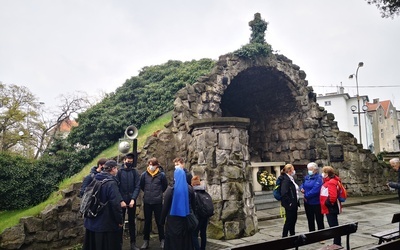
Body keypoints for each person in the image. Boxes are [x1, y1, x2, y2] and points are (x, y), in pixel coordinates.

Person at [83, 160, 123, 250]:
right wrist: (119, 221)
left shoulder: (95, 178)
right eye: (116, 168)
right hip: (105, 224)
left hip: (91, 221)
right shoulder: (111, 183)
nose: (117, 170)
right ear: (113, 169)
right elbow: (116, 205)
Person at [160, 168, 195, 250]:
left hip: (173, 221)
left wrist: (162, 220)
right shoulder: (189, 189)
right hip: (185, 220)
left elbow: (165, 206)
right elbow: (193, 205)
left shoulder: (171, 189)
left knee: (173, 243)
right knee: (185, 242)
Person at [140, 158, 168, 249]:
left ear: (157, 165)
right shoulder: (144, 175)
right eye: (149, 164)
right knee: (147, 222)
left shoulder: (162, 175)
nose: (151, 166)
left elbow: (164, 186)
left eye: (152, 164)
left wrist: (158, 194)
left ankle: (162, 240)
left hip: (157, 202)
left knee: (159, 222)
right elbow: (142, 185)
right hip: (147, 201)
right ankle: (146, 241)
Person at [116, 153, 141, 250]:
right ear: (124, 160)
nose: (129, 163)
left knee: (132, 223)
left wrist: (133, 199)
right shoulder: (119, 172)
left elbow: (137, 186)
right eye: (128, 161)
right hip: (121, 201)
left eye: (131, 161)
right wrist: (121, 200)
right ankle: (119, 244)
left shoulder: (135, 172)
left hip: (131, 201)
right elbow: (116, 187)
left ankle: (133, 244)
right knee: (120, 223)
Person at [320, 166, 343, 246]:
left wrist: (327, 203)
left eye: (323, 172)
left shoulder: (331, 182)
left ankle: (337, 243)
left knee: (333, 226)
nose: (322, 174)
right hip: (331, 207)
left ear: (327, 174)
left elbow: (333, 196)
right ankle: (337, 242)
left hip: (330, 207)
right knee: (334, 225)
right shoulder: (331, 180)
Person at [300, 162, 324, 232]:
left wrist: (306, 196)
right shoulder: (307, 177)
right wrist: (301, 188)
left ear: (316, 170)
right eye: (308, 169)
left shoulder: (319, 178)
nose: (309, 171)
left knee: (319, 219)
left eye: (311, 169)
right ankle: (312, 234)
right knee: (310, 219)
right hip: (307, 202)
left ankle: (321, 235)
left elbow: (316, 190)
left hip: (316, 202)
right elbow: (302, 184)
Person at [280, 163, 299, 237]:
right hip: (290, 204)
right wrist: (290, 202)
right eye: (293, 169)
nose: (294, 171)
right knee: (289, 220)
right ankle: (284, 236)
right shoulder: (286, 180)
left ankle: (292, 234)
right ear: (290, 170)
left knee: (293, 220)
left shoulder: (290, 178)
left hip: (294, 203)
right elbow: (284, 193)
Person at [191, 176, 209, 250]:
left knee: (194, 235)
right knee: (203, 233)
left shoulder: (194, 193)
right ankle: (203, 248)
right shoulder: (204, 191)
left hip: (198, 217)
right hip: (205, 216)